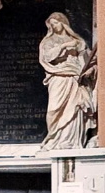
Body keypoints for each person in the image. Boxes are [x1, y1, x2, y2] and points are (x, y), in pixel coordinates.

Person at [37, 13, 96, 151]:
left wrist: (87, 68)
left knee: (75, 107)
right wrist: (64, 46)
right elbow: (47, 57)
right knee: (54, 108)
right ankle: (54, 138)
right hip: (58, 77)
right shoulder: (48, 41)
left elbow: (86, 59)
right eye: (52, 24)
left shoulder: (77, 40)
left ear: (63, 23)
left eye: (56, 23)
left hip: (74, 77)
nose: (54, 26)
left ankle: (69, 141)